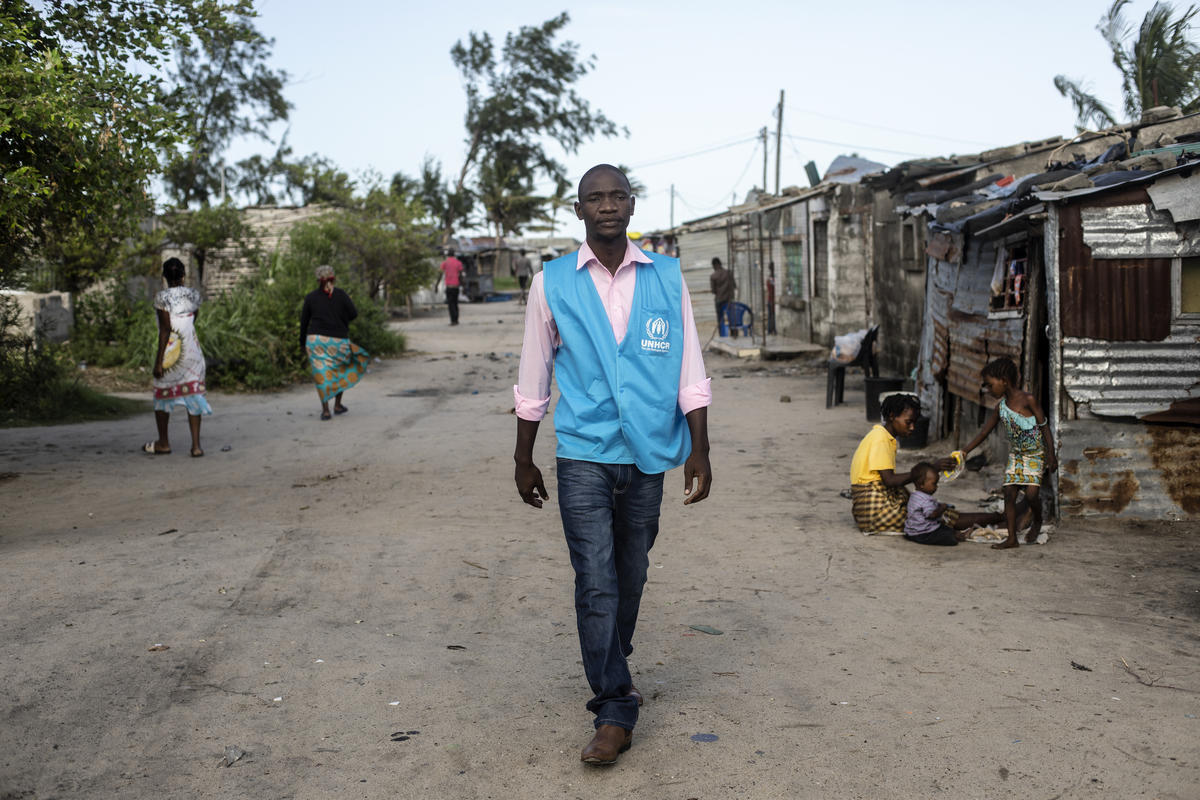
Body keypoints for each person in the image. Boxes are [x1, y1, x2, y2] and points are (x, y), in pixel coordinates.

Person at [513, 164, 713, 766]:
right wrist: (523, 457)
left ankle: (611, 659)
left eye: (616, 196)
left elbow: (690, 368)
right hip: (583, 453)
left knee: (631, 573)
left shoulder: (667, 277)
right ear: (579, 210)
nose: (606, 206)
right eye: (594, 198)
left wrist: (700, 447)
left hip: (649, 452)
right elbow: (534, 371)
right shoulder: (551, 283)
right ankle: (615, 706)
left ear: (631, 206)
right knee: (595, 579)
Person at [850, 394, 998, 534]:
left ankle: (999, 518)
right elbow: (890, 480)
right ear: (892, 416)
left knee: (929, 508)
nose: (912, 427)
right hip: (872, 511)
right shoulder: (880, 439)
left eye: (914, 422)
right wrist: (932, 468)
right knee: (930, 518)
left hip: (869, 507)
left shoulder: (882, 437)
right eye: (908, 422)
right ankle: (1000, 518)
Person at [960, 357, 1057, 549]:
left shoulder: (1028, 400)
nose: (988, 390)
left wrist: (1051, 455)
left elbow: (1044, 426)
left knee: (1031, 495)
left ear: (1004, 380)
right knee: (1009, 494)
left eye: (990, 385)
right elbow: (984, 432)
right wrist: (965, 451)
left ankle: (1037, 520)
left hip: (1035, 454)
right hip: (1016, 455)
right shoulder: (1000, 408)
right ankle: (1012, 538)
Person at [145, 257, 212, 457]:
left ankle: (164, 443)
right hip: (192, 352)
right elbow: (193, 319)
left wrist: (158, 363)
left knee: (162, 397)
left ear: (165, 277)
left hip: (172, 355)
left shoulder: (161, 298)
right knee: (194, 396)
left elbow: (165, 330)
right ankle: (196, 446)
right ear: (183, 275)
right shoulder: (193, 295)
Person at [299, 265, 369, 421]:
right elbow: (353, 314)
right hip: (338, 340)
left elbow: (304, 322)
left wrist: (302, 343)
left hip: (316, 341)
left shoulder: (310, 297)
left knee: (321, 375)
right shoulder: (341, 295)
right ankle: (337, 405)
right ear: (333, 278)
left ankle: (325, 411)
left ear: (318, 280)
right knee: (340, 372)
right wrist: (341, 319)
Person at [904, 462, 976, 545]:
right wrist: (942, 508)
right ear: (921, 484)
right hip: (923, 533)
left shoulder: (914, 496)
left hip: (911, 532)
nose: (936, 487)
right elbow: (932, 515)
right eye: (934, 484)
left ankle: (958, 534)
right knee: (948, 537)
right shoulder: (926, 500)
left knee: (945, 527)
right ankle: (958, 536)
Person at [709, 256, 736, 337]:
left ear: (714, 265)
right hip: (729, 299)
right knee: (731, 318)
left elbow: (713, 291)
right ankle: (734, 334)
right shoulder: (729, 273)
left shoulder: (713, 276)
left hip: (719, 300)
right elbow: (734, 286)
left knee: (721, 320)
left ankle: (722, 336)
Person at [437, 250, 466, 325]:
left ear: (447, 255)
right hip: (456, 286)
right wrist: (463, 286)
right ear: (454, 255)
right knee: (455, 303)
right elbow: (461, 276)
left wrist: (436, 285)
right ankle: (456, 319)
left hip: (449, 286)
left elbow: (440, 275)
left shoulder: (445, 263)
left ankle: (453, 320)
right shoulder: (458, 263)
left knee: (450, 304)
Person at [766, 261, 777, 335]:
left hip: (770, 299)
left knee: (771, 315)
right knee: (772, 315)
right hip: (771, 299)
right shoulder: (772, 278)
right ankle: (771, 329)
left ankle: (770, 329)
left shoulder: (770, 278)